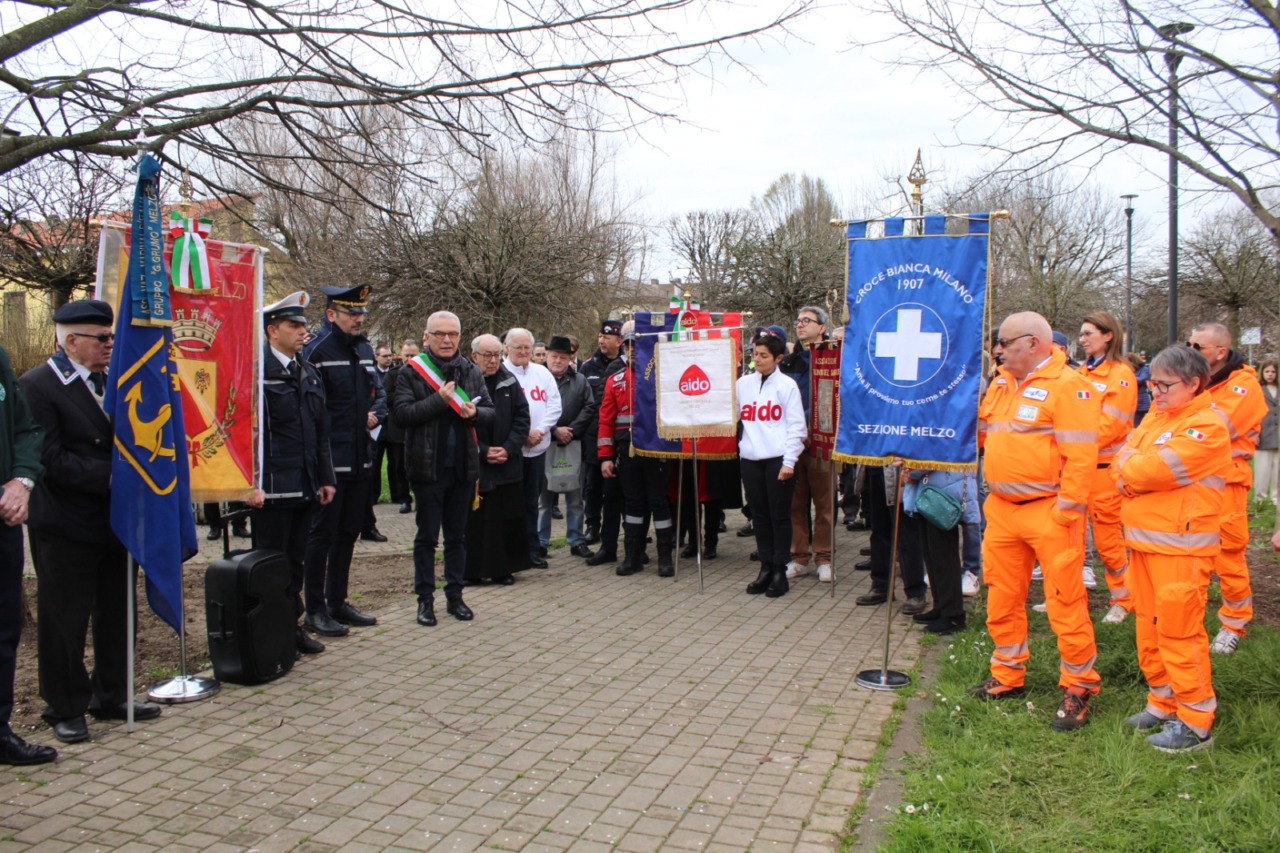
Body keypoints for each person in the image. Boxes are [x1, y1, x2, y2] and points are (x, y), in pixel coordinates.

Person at [20, 299, 162, 746]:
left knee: (118, 609)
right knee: (65, 618)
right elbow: (50, 458)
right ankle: (64, 706)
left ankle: (113, 693)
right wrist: (120, 475)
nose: (109, 345)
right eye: (101, 339)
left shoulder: (118, 381)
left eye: (111, 337)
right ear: (71, 340)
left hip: (115, 520)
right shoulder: (38, 386)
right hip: (65, 522)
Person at [968, 312, 1102, 733]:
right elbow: (982, 436)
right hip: (1004, 509)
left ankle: (1079, 685)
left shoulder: (1069, 387)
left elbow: (1081, 458)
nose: (999, 350)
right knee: (1002, 595)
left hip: (1049, 511)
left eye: (1006, 343)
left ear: (1033, 343)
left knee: (1064, 599)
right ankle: (1008, 673)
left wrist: (1066, 510)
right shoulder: (1003, 383)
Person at [1112, 345, 1230, 752]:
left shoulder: (1207, 425)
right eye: (1152, 384)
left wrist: (1134, 472)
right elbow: (1123, 461)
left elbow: (1155, 468)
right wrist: (1134, 472)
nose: (1154, 393)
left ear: (1194, 383)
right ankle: (1163, 701)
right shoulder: (1159, 419)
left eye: (1164, 385)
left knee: (1180, 632)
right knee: (1149, 626)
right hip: (1144, 544)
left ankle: (1196, 720)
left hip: (1182, 548)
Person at [243, 292, 337, 658]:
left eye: (303, 325)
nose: (302, 332)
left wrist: (325, 478)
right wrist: (248, 482)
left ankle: (292, 627)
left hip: (304, 485)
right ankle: (268, 636)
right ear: (272, 330)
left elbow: (320, 432)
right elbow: (243, 433)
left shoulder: (307, 371)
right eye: (294, 326)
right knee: (269, 565)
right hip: (270, 488)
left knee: (295, 562)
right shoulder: (256, 372)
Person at [394, 311, 492, 624]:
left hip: (462, 468)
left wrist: (475, 412)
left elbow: (490, 412)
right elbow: (402, 415)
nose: (447, 340)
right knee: (426, 539)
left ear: (460, 337)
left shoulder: (470, 370)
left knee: (457, 537)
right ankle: (425, 601)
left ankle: (455, 596)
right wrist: (439, 400)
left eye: (452, 334)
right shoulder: (412, 371)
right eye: (440, 334)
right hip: (427, 469)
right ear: (427, 337)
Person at [301, 284, 386, 638]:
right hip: (331, 462)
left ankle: (338, 601)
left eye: (361, 313)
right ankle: (315, 610)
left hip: (361, 458)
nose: (358, 319)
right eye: (352, 313)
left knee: (349, 533)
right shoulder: (316, 351)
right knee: (322, 535)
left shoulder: (365, 348)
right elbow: (313, 410)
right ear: (331, 314)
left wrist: (375, 414)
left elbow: (380, 393)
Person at [1186, 323, 1266, 655]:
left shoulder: (1243, 385)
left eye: (1197, 347)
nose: (1190, 351)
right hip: (1193, 480)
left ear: (1220, 352)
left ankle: (1235, 621)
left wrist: (1187, 420)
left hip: (1227, 482)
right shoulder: (1201, 384)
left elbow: (1216, 429)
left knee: (1228, 555)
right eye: (1187, 344)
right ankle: (1191, 616)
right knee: (1192, 551)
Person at [0, 342, 56, 765]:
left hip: (3, 513)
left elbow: (25, 429)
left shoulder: (1, 357)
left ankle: (0, 730)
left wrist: (22, 480)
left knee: (4, 629)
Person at [1077, 310, 1138, 624]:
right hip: (1078, 467)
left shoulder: (1120, 375)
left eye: (1089, 334)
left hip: (1102, 470)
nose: (1082, 339)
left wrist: (1069, 442)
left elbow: (1110, 426)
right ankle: (1071, 596)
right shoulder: (1082, 373)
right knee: (1071, 537)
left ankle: (1124, 599)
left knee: (1108, 540)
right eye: (1082, 333)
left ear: (1108, 335)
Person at [598, 324, 673, 576]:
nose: (632, 351)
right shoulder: (614, 380)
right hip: (626, 451)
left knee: (658, 502)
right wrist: (605, 458)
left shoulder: (661, 378)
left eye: (637, 346)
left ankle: (665, 557)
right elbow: (606, 422)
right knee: (632, 503)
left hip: (655, 450)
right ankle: (632, 556)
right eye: (628, 346)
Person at [738, 328, 807, 598]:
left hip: (778, 460)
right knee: (760, 516)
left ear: (778, 358)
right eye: (755, 354)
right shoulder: (743, 384)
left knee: (779, 517)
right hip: (751, 459)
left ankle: (780, 569)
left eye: (764, 355)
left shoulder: (786, 385)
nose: (758, 359)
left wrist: (789, 461)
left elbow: (796, 427)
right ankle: (765, 567)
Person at [464, 334, 530, 585]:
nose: (493, 361)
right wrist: (482, 450)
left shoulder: (509, 381)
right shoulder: (464, 381)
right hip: (477, 464)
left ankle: (505, 569)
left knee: (507, 517)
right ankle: (472, 571)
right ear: (474, 356)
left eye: (496, 355)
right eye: (487, 355)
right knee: (477, 522)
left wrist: (508, 448)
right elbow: (458, 424)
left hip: (506, 461)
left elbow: (522, 418)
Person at [781, 306, 836, 583]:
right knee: (795, 501)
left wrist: (807, 423)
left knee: (824, 503)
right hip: (794, 442)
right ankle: (799, 556)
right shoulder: (790, 363)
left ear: (822, 327)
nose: (800, 325)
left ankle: (824, 557)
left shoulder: (832, 358)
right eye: (798, 320)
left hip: (821, 440)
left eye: (807, 321)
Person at [503, 328, 562, 569]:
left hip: (537, 449)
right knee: (510, 503)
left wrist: (540, 430)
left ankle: (531, 549)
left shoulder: (542, 373)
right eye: (518, 347)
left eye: (527, 347)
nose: (524, 352)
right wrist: (522, 434)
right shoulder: (502, 373)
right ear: (507, 348)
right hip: (511, 451)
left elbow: (554, 406)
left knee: (532, 502)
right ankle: (510, 552)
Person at [539, 336, 596, 558]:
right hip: (544, 443)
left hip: (572, 443)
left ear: (570, 358)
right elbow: (532, 409)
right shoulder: (539, 378)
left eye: (563, 357)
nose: (558, 361)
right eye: (554, 356)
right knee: (544, 500)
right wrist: (554, 430)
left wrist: (570, 430)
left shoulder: (580, 380)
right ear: (547, 356)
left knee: (574, 497)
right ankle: (541, 542)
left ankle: (576, 540)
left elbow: (589, 407)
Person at [902, 464, 974, 634]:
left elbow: (936, 451)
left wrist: (914, 471)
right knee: (932, 554)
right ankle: (941, 606)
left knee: (943, 556)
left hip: (943, 489)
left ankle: (953, 615)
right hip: (933, 487)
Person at [581, 320, 625, 560]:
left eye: (608, 337)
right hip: (595, 435)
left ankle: (629, 535)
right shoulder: (588, 367)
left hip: (620, 438)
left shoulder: (624, 366)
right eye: (600, 336)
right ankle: (592, 526)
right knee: (593, 486)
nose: (602, 340)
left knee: (618, 491)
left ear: (620, 341)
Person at [361, 344, 395, 542]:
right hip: (351, 433)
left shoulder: (370, 374)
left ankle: (368, 526)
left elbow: (381, 395)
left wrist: (373, 416)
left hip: (371, 431)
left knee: (365, 481)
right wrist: (360, 417)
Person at [385, 340, 420, 515]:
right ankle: (404, 498)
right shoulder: (393, 374)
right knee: (399, 465)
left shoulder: (425, 374)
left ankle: (420, 499)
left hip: (419, 425)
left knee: (419, 464)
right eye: (406, 355)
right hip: (398, 427)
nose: (409, 359)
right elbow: (387, 396)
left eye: (413, 355)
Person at [1254, 359, 1278, 504]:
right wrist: (1255, 432)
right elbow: (1253, 412)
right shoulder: (1258, 390)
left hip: (1277, 434)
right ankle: (1260, 498)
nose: (1270, 375)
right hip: (1263, 433)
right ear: (1262, 373)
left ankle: (1275, 496)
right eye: (1267, 371)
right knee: (1262, 469)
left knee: (1277, 470)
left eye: (1273, 372)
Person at [1125, 352, 1152, 427]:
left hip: (1141, 399)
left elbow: (1142, 379)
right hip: (1131, 399)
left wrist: (1128, 378)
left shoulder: (1144, 369)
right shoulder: (1129, 370)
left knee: (1140, 422)